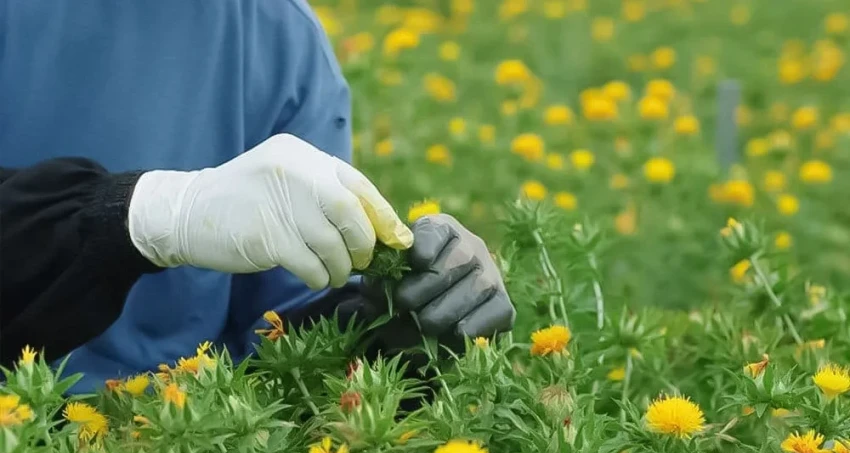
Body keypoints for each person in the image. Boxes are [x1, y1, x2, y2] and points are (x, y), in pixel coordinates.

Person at [0, 1, 515, 388]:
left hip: (167, 445)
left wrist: (395, 315)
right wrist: (146, 215)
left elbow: (278, 328)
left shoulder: (279, 33)